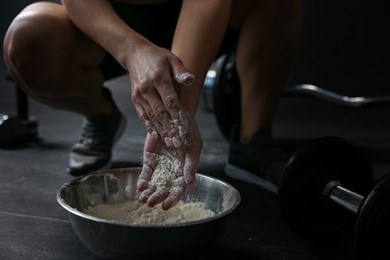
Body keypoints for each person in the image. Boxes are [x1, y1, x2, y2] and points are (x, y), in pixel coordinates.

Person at [3, 0, 302, 209]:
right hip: (114, 19)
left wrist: (179, 116)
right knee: (29, 36)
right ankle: (100, 115)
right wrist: (133, 51)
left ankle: (252, 141)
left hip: (203, 13)